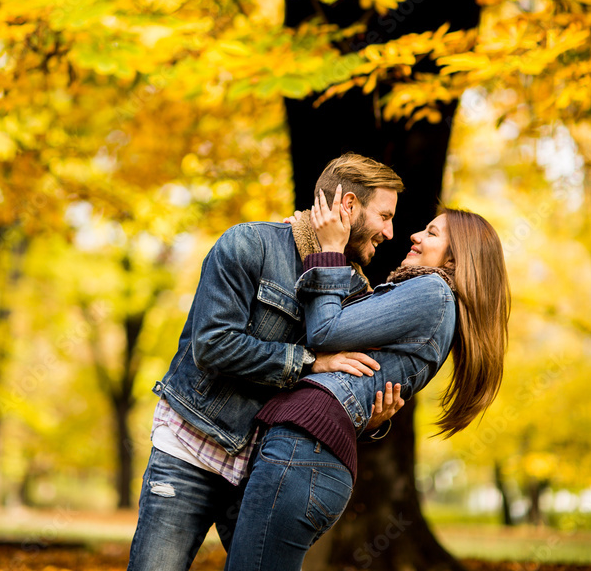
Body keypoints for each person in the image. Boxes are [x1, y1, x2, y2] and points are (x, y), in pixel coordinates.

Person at [126, 154, 406, 571]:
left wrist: (370, 419)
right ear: (348, 205)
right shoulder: (248, 244)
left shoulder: (352, 290)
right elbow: (213, 345)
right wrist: (310, 361)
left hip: (263, 471)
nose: (390, 231)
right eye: (384, 215)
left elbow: (330, 393)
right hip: (192, 447)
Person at [224, 188, 511, 571]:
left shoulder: (433, 293)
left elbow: (325, 331)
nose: (415, 236)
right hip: (304, 454)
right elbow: (354, 377)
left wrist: (325, 250)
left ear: (456, 259)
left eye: (431, 233)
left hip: (301, 453)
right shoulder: (429, 301)